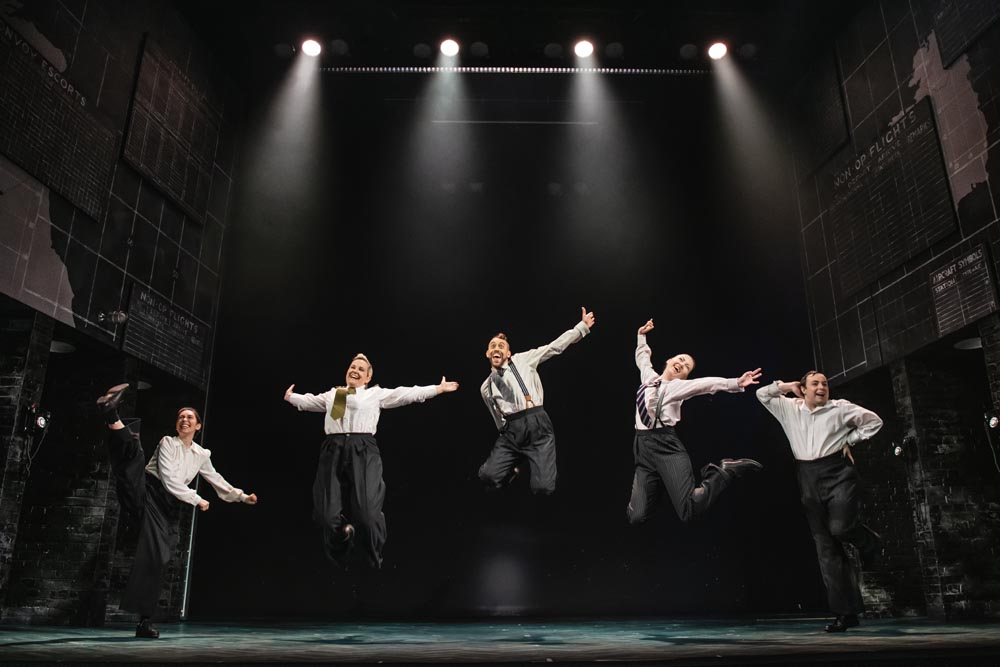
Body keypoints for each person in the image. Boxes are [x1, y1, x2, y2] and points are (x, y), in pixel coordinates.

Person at [95, 383, 257, 639]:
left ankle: (144, 621)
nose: (184, 419)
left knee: (159, 556)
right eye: (181, 416)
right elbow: (169, 480)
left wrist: (241, 496)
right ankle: (110, 413)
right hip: (145, 491)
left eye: (190, 417)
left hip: (164, 506)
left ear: (198, 426)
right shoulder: (167, 443)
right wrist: (196, 499)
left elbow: (215, 479)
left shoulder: (201, 454)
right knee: (135, 454)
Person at [284, 354, 458, 569]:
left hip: (363, 448)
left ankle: (373, 559)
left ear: (367, 377)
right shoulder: (334, 394)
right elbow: (310, 401)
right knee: (324, 517)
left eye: (360, 368)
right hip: (333, 449)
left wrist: (436, 389)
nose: (354, 370)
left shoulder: (374, 394)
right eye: (352, 366)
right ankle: (342, 547)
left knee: (367, 514)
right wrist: (292, 398)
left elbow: (405, 394)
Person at [756, 371, 883, 633]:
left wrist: (851, 439)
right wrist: (785, 386)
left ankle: (870, 542)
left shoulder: (840, 408)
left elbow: (874, 422)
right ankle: (845, 613)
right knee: (827, 550)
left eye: (825, 383)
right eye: (815, 384)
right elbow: (761, 394)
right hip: (807, 477)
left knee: (841, 528)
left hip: (838, 473)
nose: (822, 387)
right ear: (803, 388)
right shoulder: (789, 408)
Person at [628, 318, 763, 526]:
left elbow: (705, 384)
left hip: (667, 447)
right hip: (643, 448)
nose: (681, 364)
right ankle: (657, 488)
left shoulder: (676, 388)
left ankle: (723, 472)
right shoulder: (649, 378)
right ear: (670, 359)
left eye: (686, 367)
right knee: (636, 517)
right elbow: (643, 359)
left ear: (684, 377)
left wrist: (736, 383)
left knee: (688, 510)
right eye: (680, 359)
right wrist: (641, 335)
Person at [478, 307, 595, 495]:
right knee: (486, 475)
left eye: (501, 346)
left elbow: (553, 347)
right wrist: (504, 431)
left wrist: (581, 328)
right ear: (487, 354)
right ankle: (512, 468)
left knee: (543, 488)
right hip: (512, 432)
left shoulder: (523, 360)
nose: (496, 348)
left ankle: (540, 465)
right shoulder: (486, 387)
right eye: (493, 346)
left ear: (508, 354)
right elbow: (495, 414)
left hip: (536, 424)